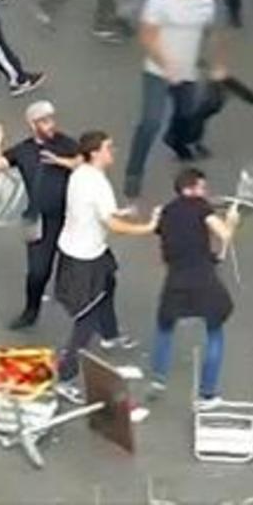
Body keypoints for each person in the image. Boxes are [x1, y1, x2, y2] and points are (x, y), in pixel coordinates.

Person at [53, 131, 159, 403]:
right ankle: (66, 376)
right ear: (95, 153)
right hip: (85, 259)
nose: (113, 151)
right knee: (85, 321)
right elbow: (111, 225)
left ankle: (110, 334)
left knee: (109, 285)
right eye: (108, 147)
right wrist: (146, 227)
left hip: (81, 250)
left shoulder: (81, 174)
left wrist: (118, 213)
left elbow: (98, 212)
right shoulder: (98, 184)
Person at [123, 0, 222, 199]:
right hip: (158, 72)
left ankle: (176, 142)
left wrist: (216, 64)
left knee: (187, 115)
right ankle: (133, 174)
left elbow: (211, 33)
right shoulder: (160, 2)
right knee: (150, 123)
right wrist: (167, 65)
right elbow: (147, 36)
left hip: (187, 73)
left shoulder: (206, 3)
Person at [147, 168, 240, 404]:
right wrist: (231, 221)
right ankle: (207, 393)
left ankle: (158, 377)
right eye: (201, 188)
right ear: (189, 189)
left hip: (176, 278)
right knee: (215, 331)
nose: (204, 193)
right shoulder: (201, 207)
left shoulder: (166, 211)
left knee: (165, 327)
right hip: (203, 278)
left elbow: (164, 240)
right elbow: (224, 235)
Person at [0, 101, 80, 330]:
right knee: (38, 271)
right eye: (44, 122)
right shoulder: (23, 150)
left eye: (51, 120)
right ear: (32, 124)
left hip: (67, 216)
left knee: (75, 264)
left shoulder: (65, 144)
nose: (50, 125)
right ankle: (31, 311)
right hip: (37, 219)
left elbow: (84, 163)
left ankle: (77, 306)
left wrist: (61, 162)